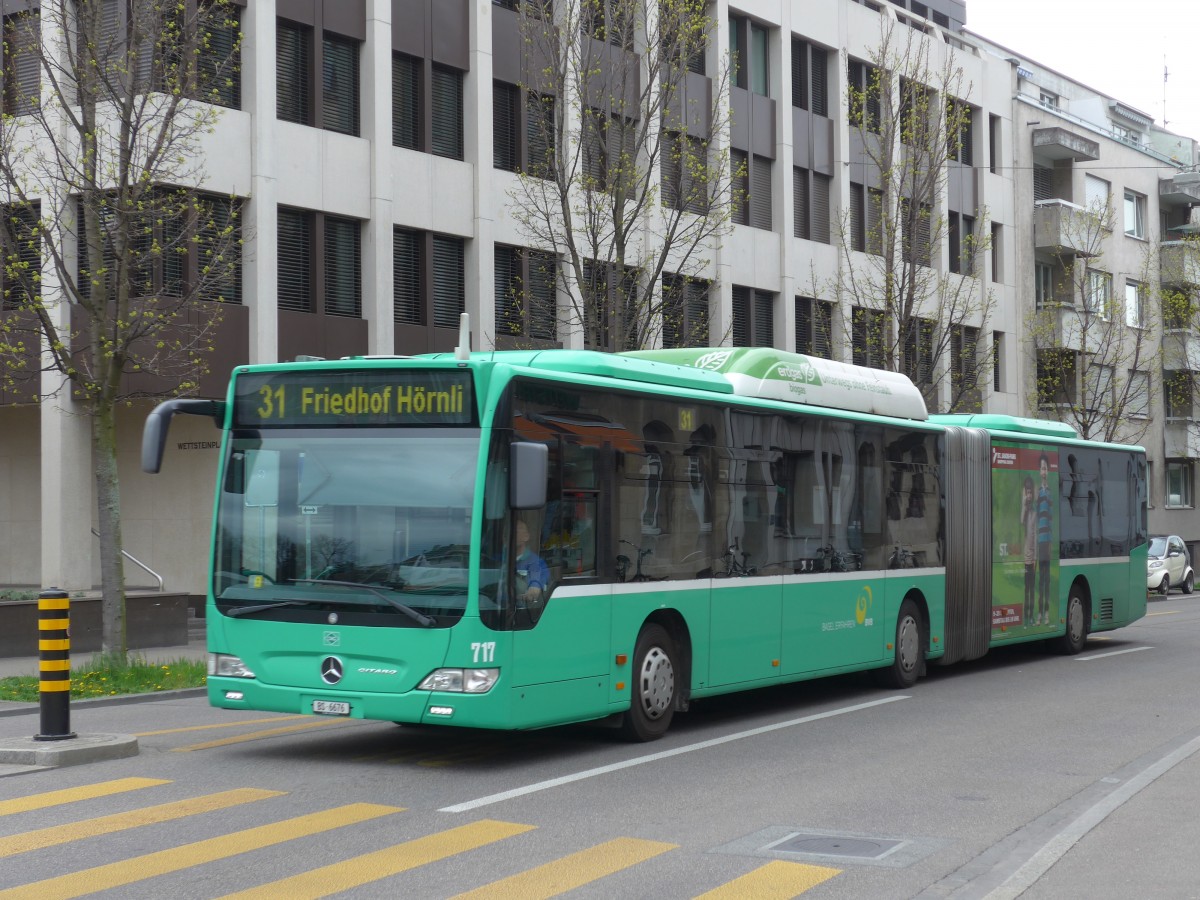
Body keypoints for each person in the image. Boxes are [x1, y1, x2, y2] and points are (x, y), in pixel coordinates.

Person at [514, 519, 550, 610]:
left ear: (526, 536)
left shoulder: (537, 562)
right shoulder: (496, 560)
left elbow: (537, 580)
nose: (514, 532)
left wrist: (534, 588)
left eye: (518, 529)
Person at [1037, 453, 1053, 626]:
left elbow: (1051, 519)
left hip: (1047, 541)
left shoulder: (1048, 492)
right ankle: (1040, 614)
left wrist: (1050, 543)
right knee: (1039, 580)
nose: (1043, 471)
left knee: (1046, 579)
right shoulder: (1037, 492)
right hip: (1038, 542)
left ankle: (1046, 613)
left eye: (1045, 468)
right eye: (1041, 468)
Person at [1021, 475, 1037, 626]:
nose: (1029, 495)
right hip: (1024, 557)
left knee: (1032, 588)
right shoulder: (1026, 512)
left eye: (1031, 492)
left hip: (1032, 558)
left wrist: (1035, 559)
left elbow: (1036, 536)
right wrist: (1024, 507)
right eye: (1027, 492)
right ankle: (1026, 616)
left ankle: (1031, 615)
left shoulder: (1035, 514)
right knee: (1026, 588)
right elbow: (1021, 522)